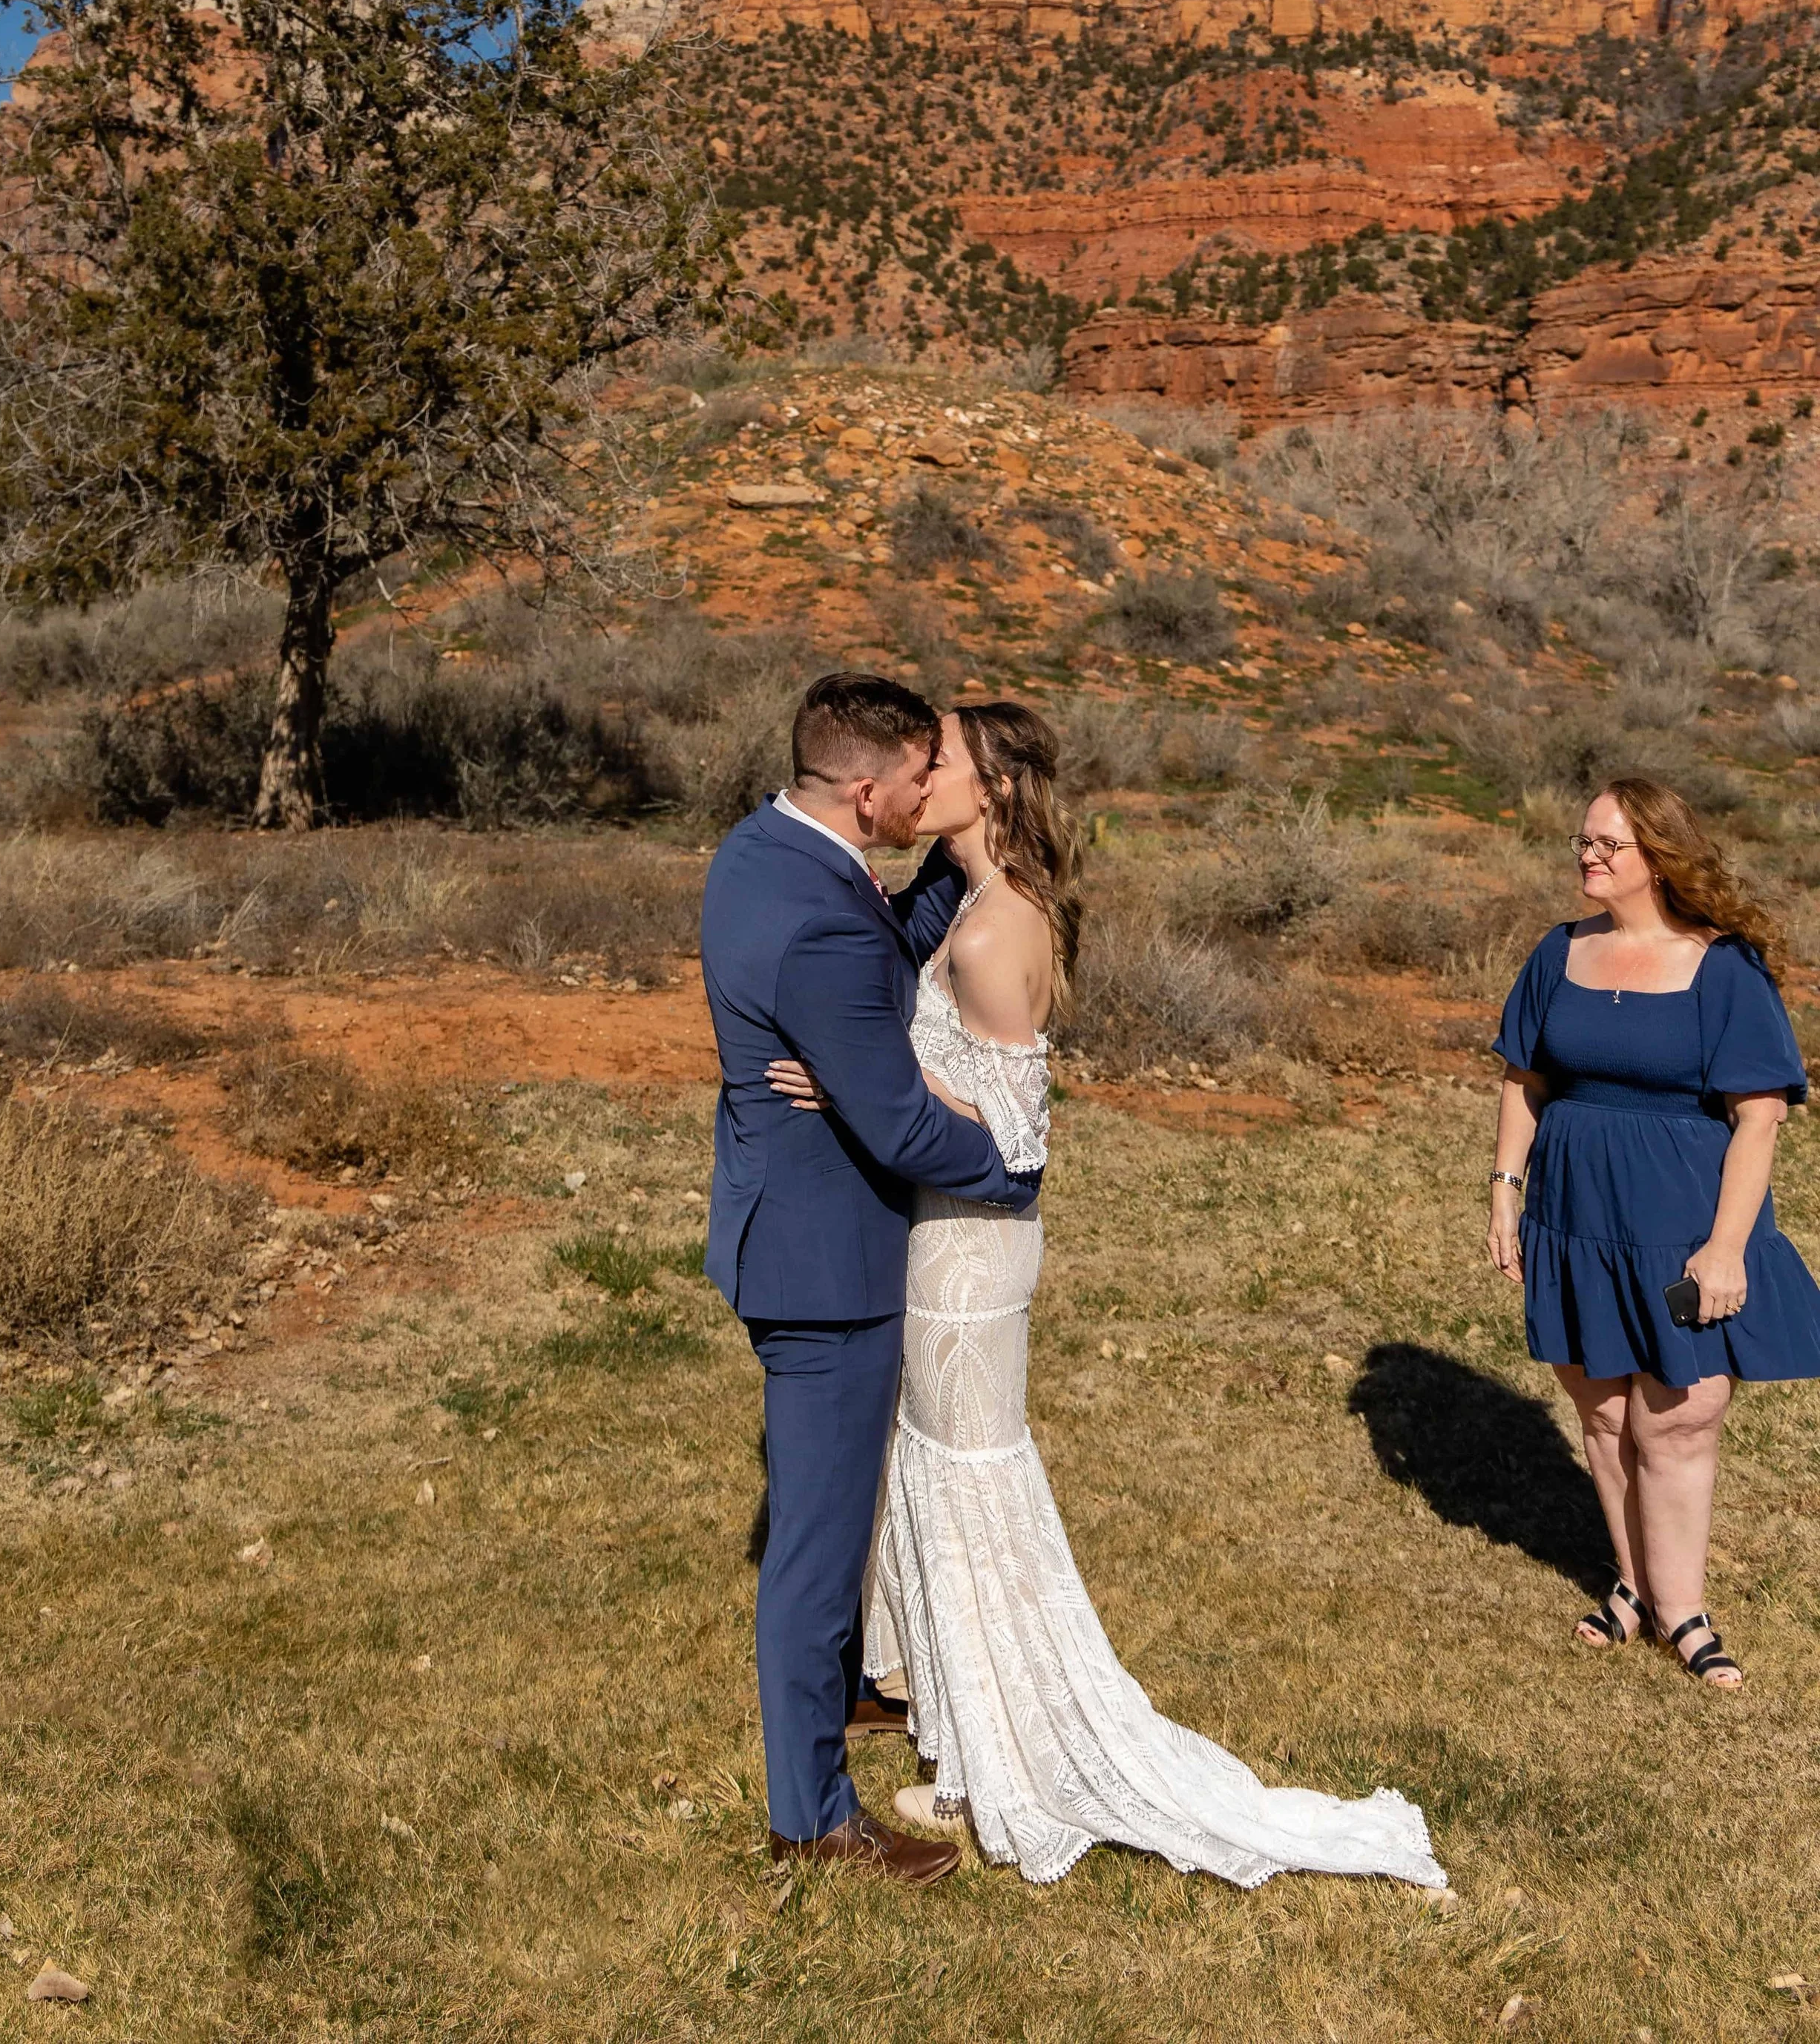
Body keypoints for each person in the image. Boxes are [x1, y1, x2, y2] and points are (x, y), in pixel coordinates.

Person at [769, 700, 1445, 1891]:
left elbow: (1016, 1128)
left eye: (943, 760)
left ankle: (1023, 1753)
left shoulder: (990, 935)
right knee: (941, 1468)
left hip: (968, 1251)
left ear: (997, 789)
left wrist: (858, 1086)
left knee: (973, 1477)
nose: (919, 774)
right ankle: (973, 1741)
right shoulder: (973, 902)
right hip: (954, 1238)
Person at [700, 674, 1044, 1887]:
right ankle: (814, 1817)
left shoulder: (761, 849)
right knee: (816, 1536)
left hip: (766, 1223)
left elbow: (870, 970)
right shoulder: (827, 922)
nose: (920, 791)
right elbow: (901, 1128)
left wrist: (960, 860)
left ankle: (846, 1688)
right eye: (913, 777)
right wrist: (1006, 1166)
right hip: (828, 1261)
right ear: (864, 788)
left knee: (824, 1508)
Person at [1489, 777, 1820, 1687]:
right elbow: (1524, 1079)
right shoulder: (1558, 952)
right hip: (1574, 1216)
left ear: (1658, 857)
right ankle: (1633, 1586)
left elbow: (1760, 1117)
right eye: (1582, 842)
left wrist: (1723, 1249)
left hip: (1683, 1226)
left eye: (1606, 845)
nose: (1586, 856)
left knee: (1679, 1416)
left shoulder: (1723, 968)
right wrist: (1504, 1191)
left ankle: (1686, 1611)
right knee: (1601, 1414)